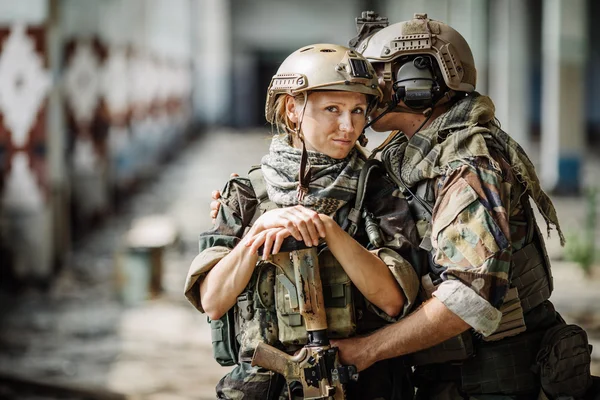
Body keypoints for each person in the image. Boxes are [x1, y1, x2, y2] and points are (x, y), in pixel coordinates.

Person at [211, 13, 596, 400]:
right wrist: (253, 204)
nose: (365, 85)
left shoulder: (467, 162)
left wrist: (366, 351)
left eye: (377, 73)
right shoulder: (408, 151)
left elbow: (469, 298)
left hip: (495, 374)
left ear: (416, 80)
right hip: (447, 370)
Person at [185, 43, 420, 400]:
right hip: (263, 388)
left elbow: (391, 300)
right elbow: (213, 302)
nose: (349, 125)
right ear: (293, 109)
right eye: (332, 109)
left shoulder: (377, 190)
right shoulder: (247, 193)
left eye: (358, 110)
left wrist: (330, 230)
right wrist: (257, 234)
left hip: (358, 384)